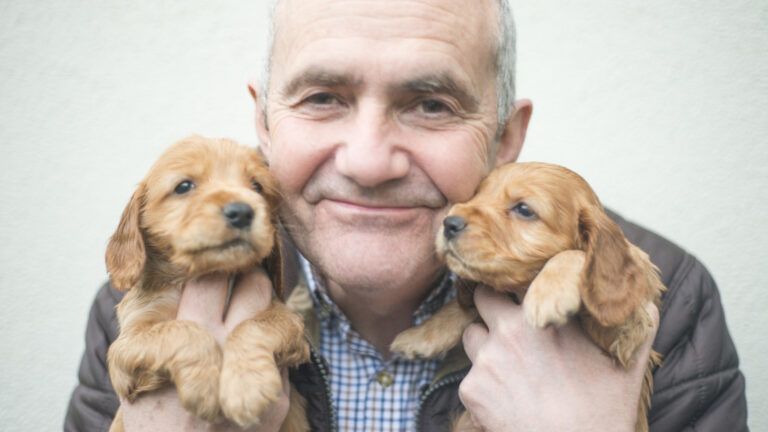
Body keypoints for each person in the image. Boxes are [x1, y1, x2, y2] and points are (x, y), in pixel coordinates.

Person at [65, 0, 748, 431]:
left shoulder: (665, 300)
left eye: (430, 104)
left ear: (505, 139)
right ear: (265, 124)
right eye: (324, 97)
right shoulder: (155, 296)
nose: (368, 162)